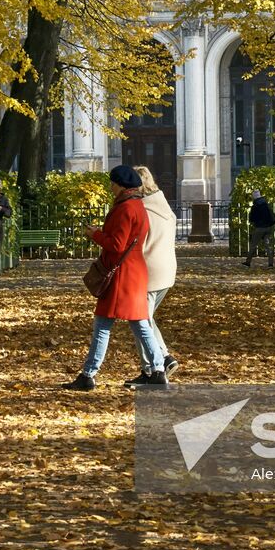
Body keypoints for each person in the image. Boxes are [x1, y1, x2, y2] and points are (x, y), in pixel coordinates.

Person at [61, 165, 167, 391]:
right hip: (135, 272)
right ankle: (158, 370)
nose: (110, 187)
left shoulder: (125, 208)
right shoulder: (139, 206)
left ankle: (88, 374)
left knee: (103, 324)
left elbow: (117, 245)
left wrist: (95, 234)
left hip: (121, 274)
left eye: (112, 183)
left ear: (120, 185)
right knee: (140, 324)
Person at [124, 166, 180, 387]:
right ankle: (164, 357)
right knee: (146, 319)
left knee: (140, 322)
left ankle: (151, 370)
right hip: (166, 271)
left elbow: (132, 243)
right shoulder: (163, 206)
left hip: (147, 272)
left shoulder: (140, 210)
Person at [244, 189, 275, 267]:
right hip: (268, 227)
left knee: (253, 245)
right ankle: (270, 263)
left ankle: (248, 262)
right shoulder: (266, 204)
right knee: (268, 245)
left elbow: (252, 218)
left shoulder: (255, 206)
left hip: (259, 228)